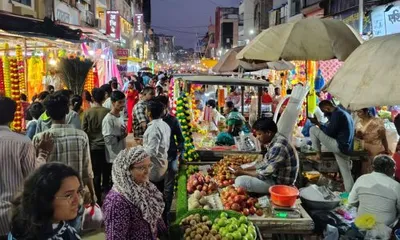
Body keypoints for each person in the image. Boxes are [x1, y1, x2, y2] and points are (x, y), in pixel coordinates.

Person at [32, 92, 96, 231]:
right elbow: (87, 170)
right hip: (75, 199)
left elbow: (36, 172)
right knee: (73, 232)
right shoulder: (81, 137)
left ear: (47, 113)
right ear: (68, 110)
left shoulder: (39, 138)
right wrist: (92, 193)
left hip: (50, 202)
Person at [0, 97, 53, 238]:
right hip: (12, 215)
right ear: (12, 116)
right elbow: (32, 176)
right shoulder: (22, 142)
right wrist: (43, 153)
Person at [103, 147, 166, 239]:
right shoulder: (117, 202)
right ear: (126, 171)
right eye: (141, 168)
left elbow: (155, 216)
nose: (147, 171)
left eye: (149, 166)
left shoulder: (145, 187)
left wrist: (165, 233)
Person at [9, 163, 82, 240]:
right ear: (45, 199)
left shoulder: (61, 228)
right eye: (68, 195)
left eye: (78, 191)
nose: (77, 201)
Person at [233, 118, 299, 194]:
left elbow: (265, 173)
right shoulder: (275, 140)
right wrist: (243, 168)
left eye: (259, 134)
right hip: (273, 178)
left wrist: (243, 172)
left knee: (240, 181)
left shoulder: (279, 146)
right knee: (243, 177)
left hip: (280, 185)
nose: (257, 137)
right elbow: (264, 163)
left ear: (268, 133)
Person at [308, 100, 355, 192]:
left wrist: (318, 123)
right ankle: (351, 196)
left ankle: (318, 155)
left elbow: (330, 132)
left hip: (338, 145)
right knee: (346, 174)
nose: (324, 114)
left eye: (324, 111)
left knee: (313, 129)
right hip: (346, 148)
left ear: (327, 108)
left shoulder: (337, 114)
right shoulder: (344, 113)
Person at [154, 96, 184, 223]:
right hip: (156, 161)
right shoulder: (154, 121)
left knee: (168, 189)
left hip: (171, 158)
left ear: (166, 106)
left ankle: (165, 217)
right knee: (156, 189)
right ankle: (157, 215)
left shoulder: (173, 120)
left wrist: (180, 155)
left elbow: (181, 140)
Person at [349, 155, 400, 227]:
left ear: (373, 167)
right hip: (386, 227)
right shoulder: (396, 185)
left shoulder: (362, 179)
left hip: (363, 224)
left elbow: (351, 201)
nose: (395, 170)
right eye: (394, 167)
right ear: (389, 169)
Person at [82, 88, 110, 205]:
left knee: (96, 174)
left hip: (93, 147)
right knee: (107, 173)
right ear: (104, 98)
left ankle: (98, 198)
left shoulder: (87, 112)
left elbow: (84, 131)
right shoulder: (108, 112)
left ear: (93, 98)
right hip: (106, 147)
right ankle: (108, 198)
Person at [143, 100, 171, 190]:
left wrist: (140, 149)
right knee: (159, 193)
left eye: (146, 109)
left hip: (154, 168)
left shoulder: (153, 129)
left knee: (153, 196)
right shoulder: (165, 125)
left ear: (149, 113)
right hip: (162, 164)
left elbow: (151, 152)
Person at [356, 108, 391, 174]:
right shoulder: (358, 123)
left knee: (377, 170)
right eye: (357, 111)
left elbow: (383, 138)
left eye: (360, 111)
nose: (358, 114)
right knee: (366, 172)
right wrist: (359, 152)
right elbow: (358, 141)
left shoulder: (378, 122)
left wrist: (386, 150)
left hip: (377, 150)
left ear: (366, 111)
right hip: (365, 151)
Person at [102, 91, 127, 165]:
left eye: (123, 102)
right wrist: (121, 136)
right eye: (119, 102)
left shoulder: (120, 115)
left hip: (121, 155)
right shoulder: (108, 119)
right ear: (113, 103)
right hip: (113, 157)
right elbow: (108, 140)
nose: (122, 105)